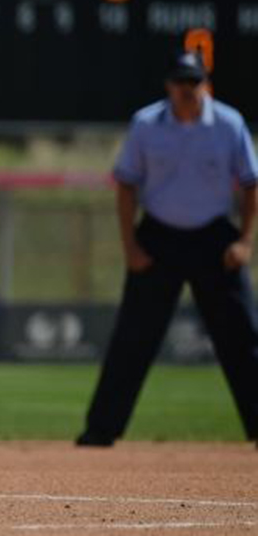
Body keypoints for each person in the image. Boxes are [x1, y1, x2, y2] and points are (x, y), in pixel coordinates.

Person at [77, 51, 258, 447]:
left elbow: (250, 183)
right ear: (168, 85)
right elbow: (126, 184)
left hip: (214, 237)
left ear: (205, 83)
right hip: (159, 237)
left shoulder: (229, 124)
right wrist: (131, 246)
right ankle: (101, 429)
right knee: (133, 336)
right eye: (180, 82)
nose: (186, 90)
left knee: (244, 334)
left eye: (194, 82)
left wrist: (245, 241)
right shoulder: (146, 124)